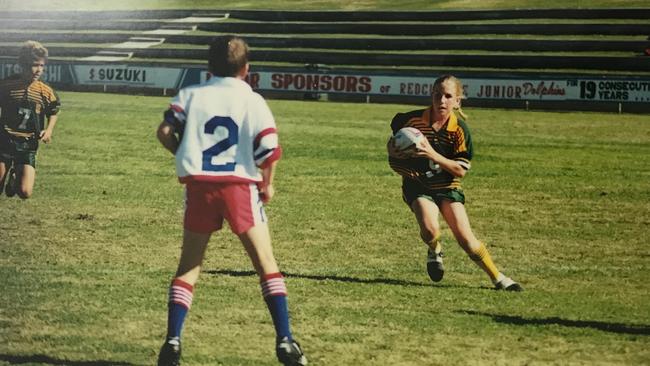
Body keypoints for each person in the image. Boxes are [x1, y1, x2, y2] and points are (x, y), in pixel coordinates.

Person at [155, 35, 307, 366]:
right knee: (266, 264)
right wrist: (268, 184)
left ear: (208, 67)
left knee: (189, 266)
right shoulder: (252, 99)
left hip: (199, 186)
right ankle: (285, 340)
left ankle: (173, 339)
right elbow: (269, 149)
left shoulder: (191, 94)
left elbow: (165, 132)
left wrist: (182, 152)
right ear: (246, 69)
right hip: (239, 187)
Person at [387, 74, 522, 291]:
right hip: (418, 184)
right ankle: (434, 249)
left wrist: (431, 153)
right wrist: (391, 147)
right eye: (437, 95)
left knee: (466, 240)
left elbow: (460, 170)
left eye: (448, 96)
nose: (441, 100)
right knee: (430, 230)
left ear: (457, 101)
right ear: (431, 95)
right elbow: (395, 140)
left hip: (448, 186)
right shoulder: (411, 121)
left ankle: (499, 278)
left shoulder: (459, 130)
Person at [0, 40, 60, 199]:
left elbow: (53, 111)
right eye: (34, 65)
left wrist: (48, 130)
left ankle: (14, 180)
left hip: (28, 143)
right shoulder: (7, 85)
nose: (38, 70)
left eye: (41, 66)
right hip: (4, 139)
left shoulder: (45, 91)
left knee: (25, 192)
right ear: (23, 65)